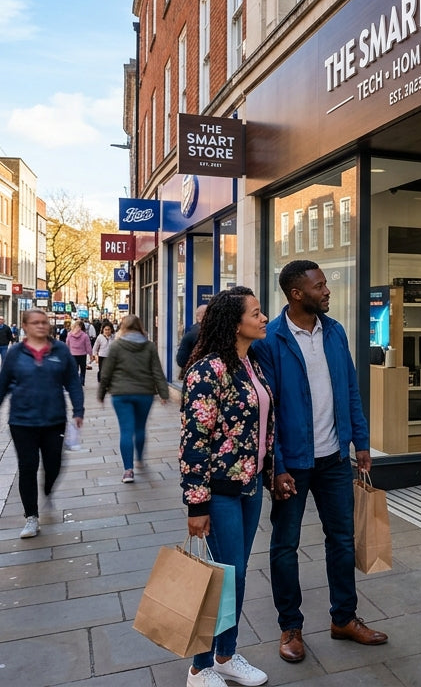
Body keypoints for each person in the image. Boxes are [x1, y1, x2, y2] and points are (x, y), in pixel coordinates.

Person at [255, 260, 387, 664]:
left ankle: (343, 618)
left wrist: (360, 441)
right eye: (320, 286)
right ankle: (290, 627)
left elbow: (350, 389)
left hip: (334, 459)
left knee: (342, 540)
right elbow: (268, 411)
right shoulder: (271, 340)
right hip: (292, 464)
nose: (327, 291)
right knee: (285, 545)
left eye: (326, 284)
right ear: (297, 294)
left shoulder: (335, 331)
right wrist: (277, 465)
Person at [179, 286, 273, 687]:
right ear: (235, 324)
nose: (264, 318)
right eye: (256, 313)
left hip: (250, 487)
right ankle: (199, 668)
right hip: (219, 492)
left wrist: (269, 473)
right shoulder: (208, 370)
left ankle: (225, 655)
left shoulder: (250, 363)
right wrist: (197, 504)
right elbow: (194, 441)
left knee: (237, 575)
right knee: (221, 579)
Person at [0, 309, 85, 539]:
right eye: (35, 323)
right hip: (22, 421)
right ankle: (31, 516)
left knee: (53, 465)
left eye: (44, 322)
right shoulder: (15, 353)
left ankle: (48, 488)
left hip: (54, 420)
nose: (41, 326)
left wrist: (78, 410)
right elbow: (2, 385)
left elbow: (72, 381)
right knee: (27, 467)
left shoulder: (60, 350)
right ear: (25, 326)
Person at [97, 315, 169, 483]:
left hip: (120, 394)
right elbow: (157, 371)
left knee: (126, 430)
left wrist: (101, 394)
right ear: (140, 327)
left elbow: (106, 372)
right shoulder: (149, 346)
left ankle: (128, 471)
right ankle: (140, 460)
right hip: (144, 393)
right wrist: (163, 393)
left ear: (123, 328)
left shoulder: (116, 346)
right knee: (140, 428)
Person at [175, 304, 208, 379]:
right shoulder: (217, 333)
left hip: (195, 375)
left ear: (197, 317)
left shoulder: (191, 333)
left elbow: (181, 360)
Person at [66, 320, 92, 386]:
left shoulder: (69, 334)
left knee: (74, 369)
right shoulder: (85, 335)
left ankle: (75, 381)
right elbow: (88, 346)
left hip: (72, 354)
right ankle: (82, 381)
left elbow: (67, 344)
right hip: (82, 354)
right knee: (83, 369)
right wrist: (90, 354)